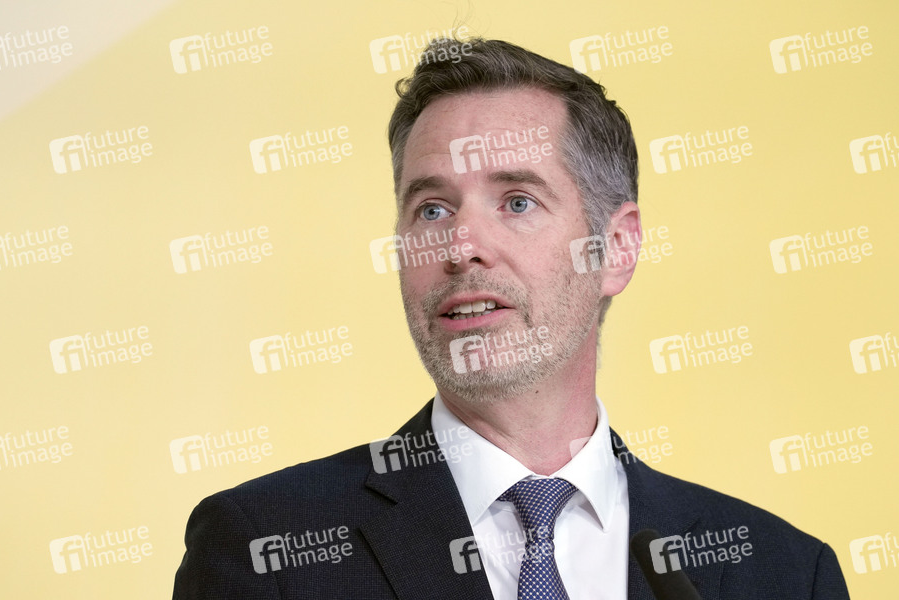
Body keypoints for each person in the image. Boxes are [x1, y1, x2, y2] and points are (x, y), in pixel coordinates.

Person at [173, 37, 850, 599]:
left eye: (518, 201)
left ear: (616, 249)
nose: (459, 245)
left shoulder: (785, 572)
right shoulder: (264, 547)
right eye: (431, 209)